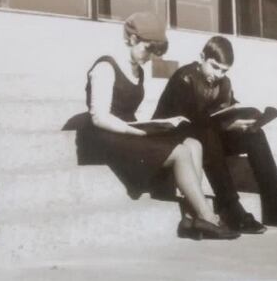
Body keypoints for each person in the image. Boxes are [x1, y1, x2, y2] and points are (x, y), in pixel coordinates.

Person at [85, 13, 239, 240]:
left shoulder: (136, 68)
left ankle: (189, 217)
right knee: (179, 152)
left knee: (193, 144)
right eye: (148, 49)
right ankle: (206, 215)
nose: (149, 57)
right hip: (106, 135)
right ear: (132, 39)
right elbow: (99, 117)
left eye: (154, 52)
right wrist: (134, 131)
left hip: (128, 130)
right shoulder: (105, 67)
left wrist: (150, 128)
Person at [153, 35, 277, 234]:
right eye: (214, 66)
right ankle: (230, 207)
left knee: (255, 135)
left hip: (208, 136)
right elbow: (187, 122)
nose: (218, 74)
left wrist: (244, 123)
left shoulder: (224, 83)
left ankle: (276, 206)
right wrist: (224, 125)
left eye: (224, 70)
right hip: (173, 138)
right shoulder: (184, 77)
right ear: (202, 57)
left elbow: (226, 112)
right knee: (208, 132)